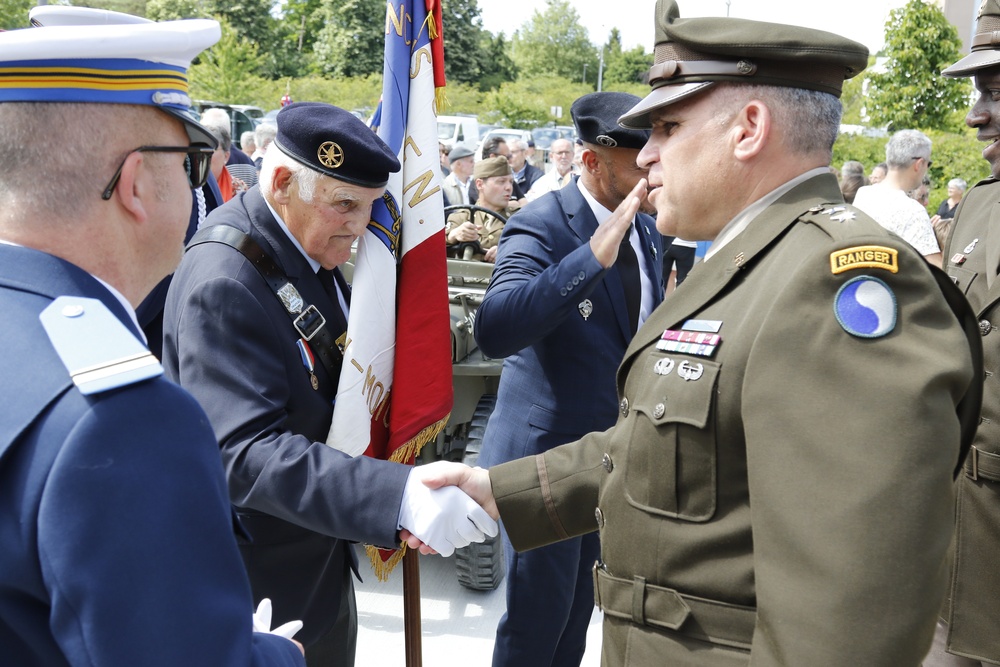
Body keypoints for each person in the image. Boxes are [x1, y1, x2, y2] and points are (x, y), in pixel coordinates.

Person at [426, 1, 984, 663]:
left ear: (749, 128)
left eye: (665, 126)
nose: (649, 156)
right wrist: (503, 489)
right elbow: (664, 447)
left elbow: (846, 621)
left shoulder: (837, 284)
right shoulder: (752, 260)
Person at [0, 15, 308, 666]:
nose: (201, 185)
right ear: (136, 183)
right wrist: (272, 654)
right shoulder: (122, 417)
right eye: (193, 160)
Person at [161, 102, 497, 667]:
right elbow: (240, 454)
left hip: (313, 561)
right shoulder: (227, 280)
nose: (361, 226)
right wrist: (397, 497)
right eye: (344, 204)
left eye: (369, 207)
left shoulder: (298, 248)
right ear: (285, 182)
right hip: (259, 595)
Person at [474, 91, 663, 667]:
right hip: (544, 458)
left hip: (605, 456)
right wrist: (593, 256)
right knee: (539, 619)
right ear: (590, 162)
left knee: (580, 612)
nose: (653, 170)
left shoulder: (650, 231)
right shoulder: (542, 223)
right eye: (638, 162)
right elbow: (497, 329)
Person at [926, 3, 1000, 663]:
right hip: (956, 550)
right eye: (978, 91)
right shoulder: (980, 201)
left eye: (996, 91)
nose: (976, 113)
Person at [852, 129, 942, 266]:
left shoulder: (863, 194)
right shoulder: (913, 210)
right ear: (919, 164)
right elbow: (937, 270)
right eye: (928, 164)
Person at [445, 156, 518, 262]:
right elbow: (434, 252)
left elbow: (532, 250)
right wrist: (453, 236)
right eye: (501, 182)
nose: (509, 187)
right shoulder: (461, 217)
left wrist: (507, 252)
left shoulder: (519, 218)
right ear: (480, 184)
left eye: (511, 182)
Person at [470, 136, 527, 207]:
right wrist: (515, 204)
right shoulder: (480, 181)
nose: (508, 187)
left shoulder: (508, 179)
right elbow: (488, 205)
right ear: (493, 157)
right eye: (507, 156)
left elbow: (524, 203)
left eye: (510, 182)